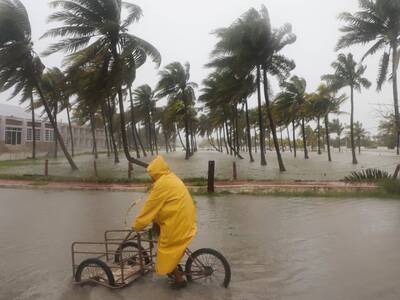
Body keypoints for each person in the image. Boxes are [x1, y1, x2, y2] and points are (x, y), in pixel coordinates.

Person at [132, 155, 197, 289]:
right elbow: (163, 205)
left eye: (151, 174)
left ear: (156, 172)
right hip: (185, 218)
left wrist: (137, 226)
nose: (151, 177)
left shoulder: (161, 184)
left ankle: (179, 280)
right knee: (160, 233)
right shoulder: (171, 177)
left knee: (165, 251)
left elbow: (149, 208)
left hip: (177, 222)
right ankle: (175, 265)